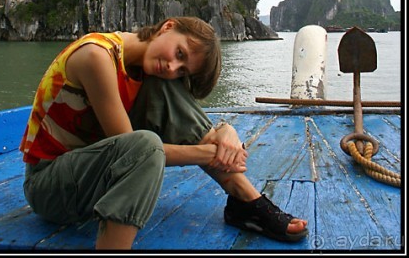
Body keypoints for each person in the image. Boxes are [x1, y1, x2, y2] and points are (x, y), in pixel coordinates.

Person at [20, 17, 308, 249]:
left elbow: (178, 115)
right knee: (144, 144)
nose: (172, 66)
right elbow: (131, 149)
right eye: (179, 53)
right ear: (167, 26)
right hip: (50, 185)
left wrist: (225, 129)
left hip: (93, 175)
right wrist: (210, 153)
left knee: (164, 87)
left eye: (183, 70)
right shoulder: (96, 56)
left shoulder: (148, 71)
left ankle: (245, 200)